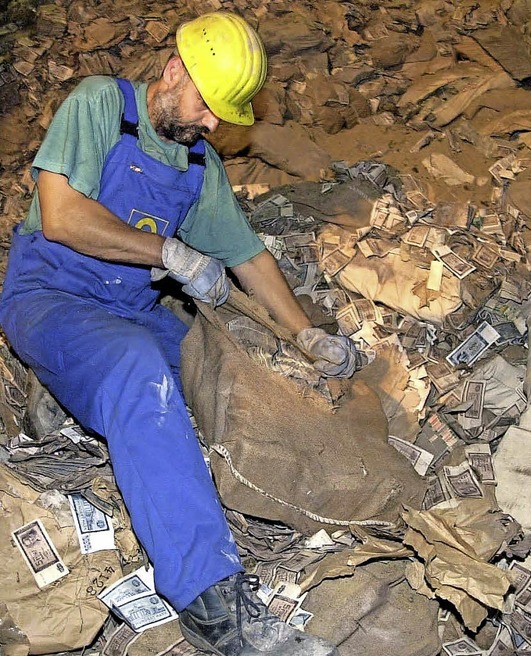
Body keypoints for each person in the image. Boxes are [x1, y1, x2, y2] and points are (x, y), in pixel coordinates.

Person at [0, 11, 356, 655]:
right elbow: (62, 217)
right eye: (206, 105)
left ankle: (65, 385)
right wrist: (168, 253)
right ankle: (209, 600)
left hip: (131, 309)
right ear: (173, 71)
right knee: (140, 376)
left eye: (223, 113)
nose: (213, 125)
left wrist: (305, 336)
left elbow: (250, 259)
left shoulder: (198, 168)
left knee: (229, 362)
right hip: (49, 297)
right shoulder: (99, 106)